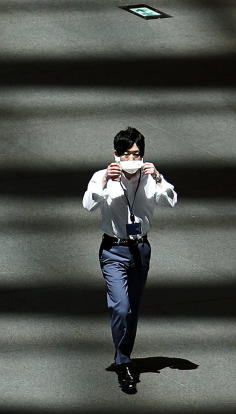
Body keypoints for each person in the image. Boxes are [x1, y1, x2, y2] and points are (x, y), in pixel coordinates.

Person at [82, 127, 178, 394]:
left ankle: (124, 356)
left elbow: (170, 201)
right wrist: (103, 183)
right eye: (126, 154)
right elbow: (88, 205)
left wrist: (158, 178)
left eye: (136, 154)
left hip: (141, 249)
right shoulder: (102, 176)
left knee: (133, 309)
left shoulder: (150, 178)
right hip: (113, 249)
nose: (131, 159)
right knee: (121, 308)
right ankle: (122, 362)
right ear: (116, 155)